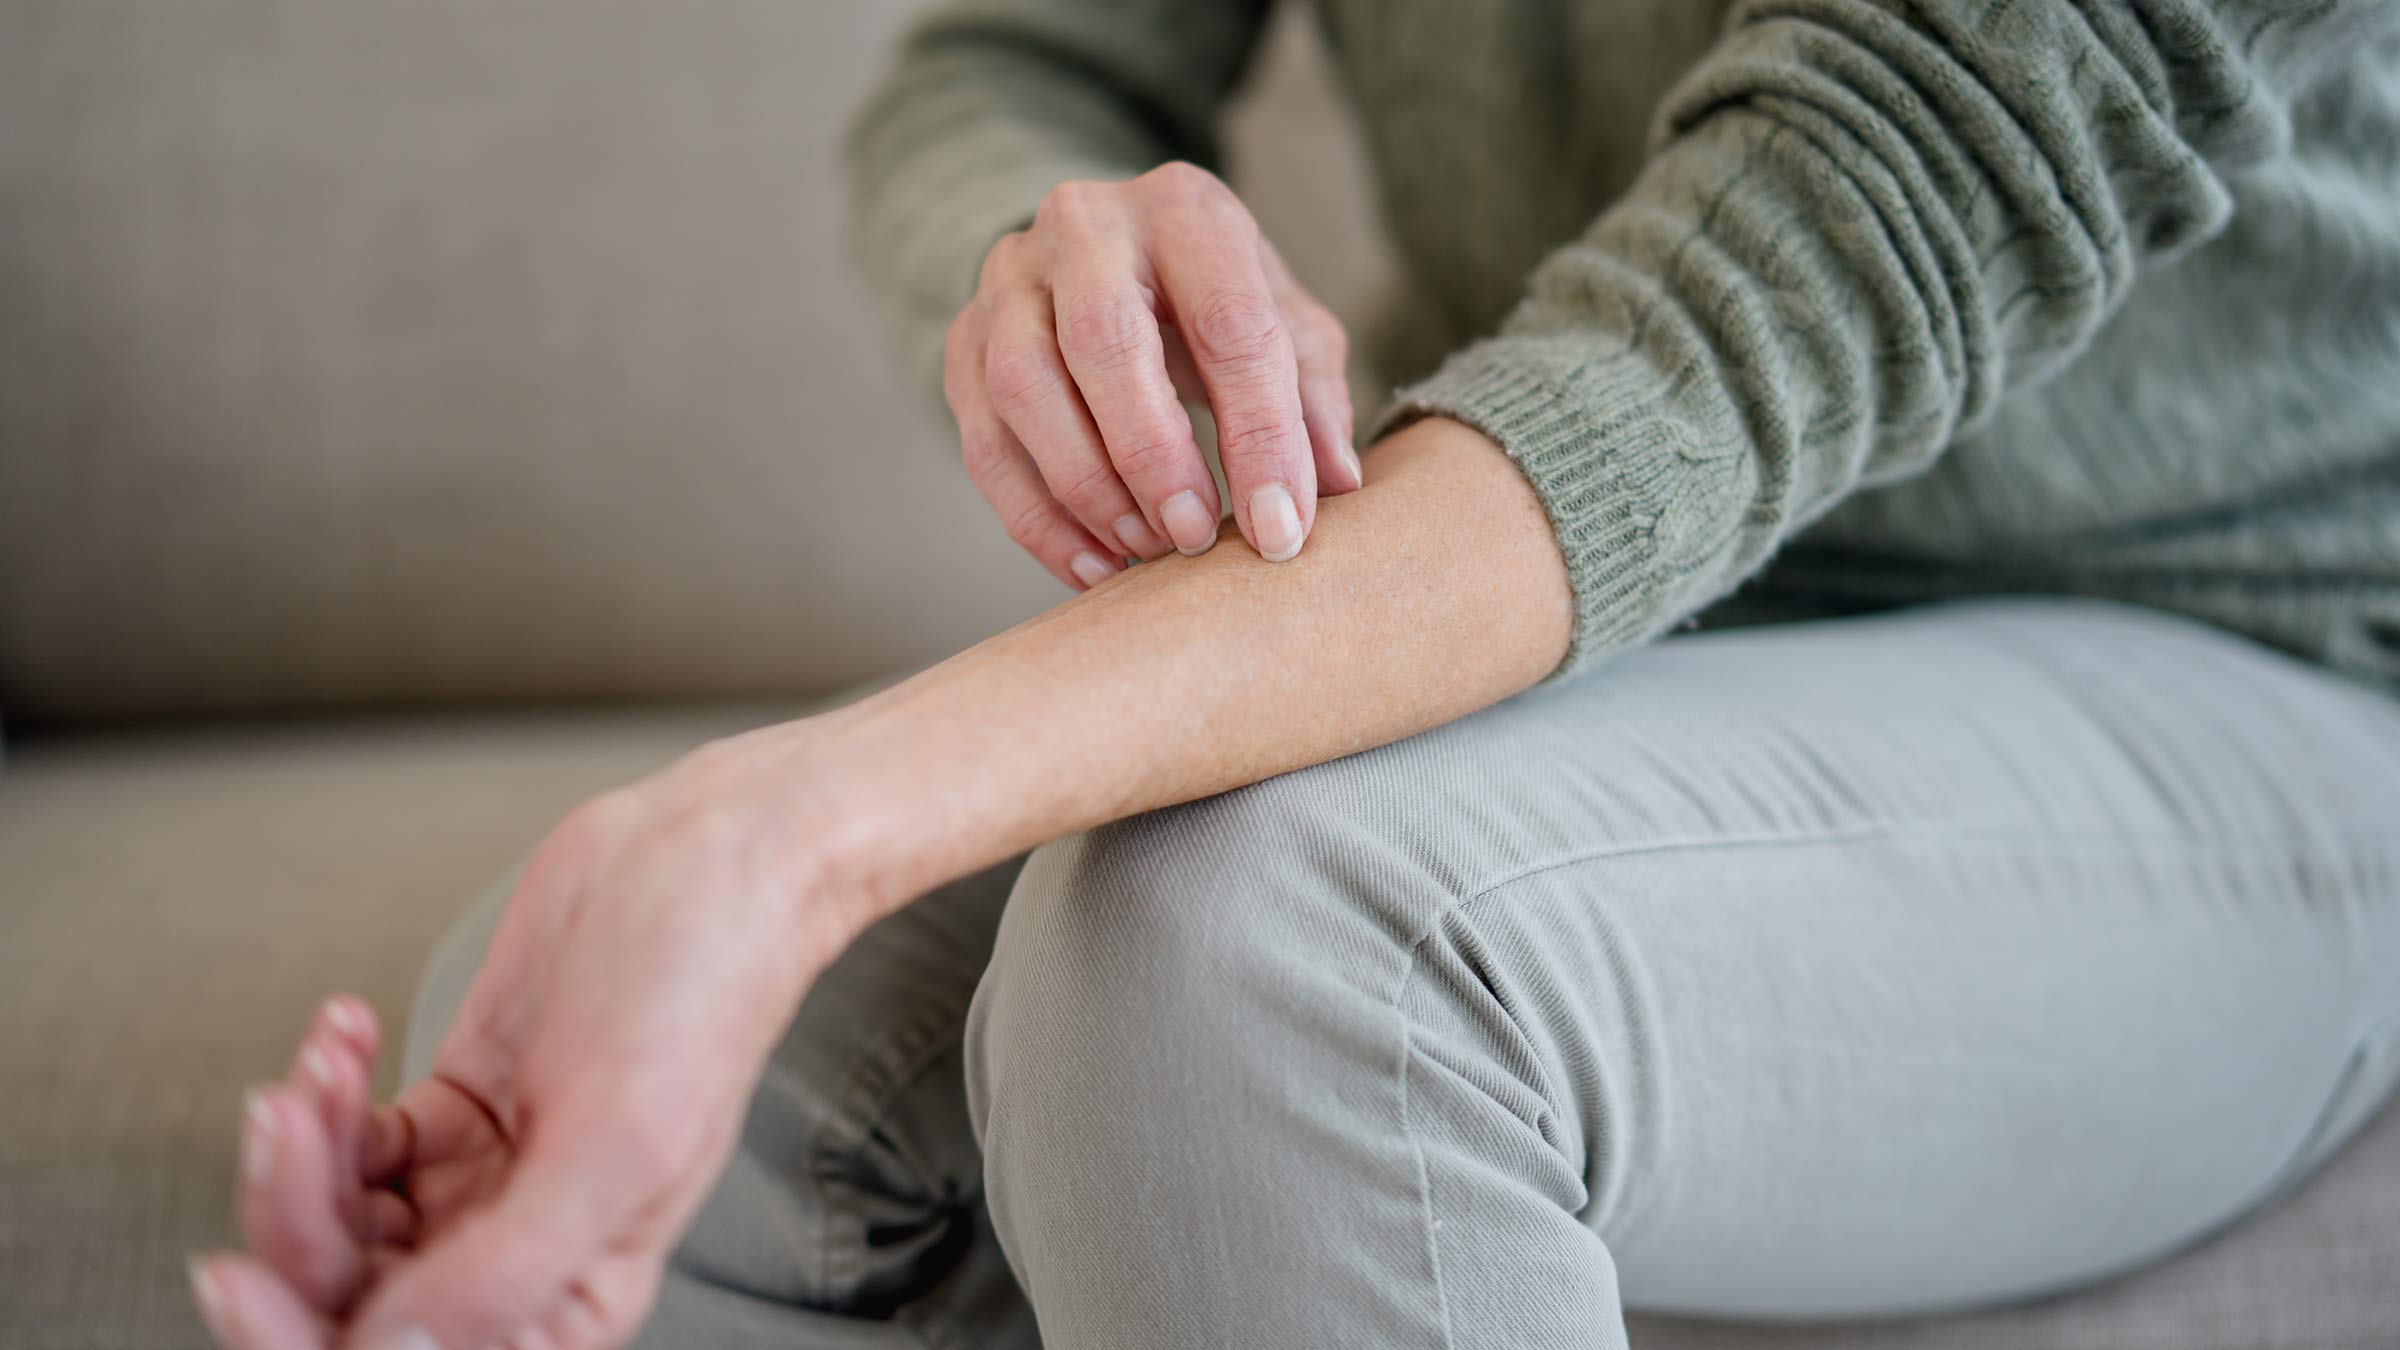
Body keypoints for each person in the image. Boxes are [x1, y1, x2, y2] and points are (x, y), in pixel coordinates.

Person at [190, 1, 2400, 1347]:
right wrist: (1045, 253)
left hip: (2240, 648)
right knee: (610, 1042)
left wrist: (777, 831)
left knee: (1252, 954)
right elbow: (1018, 57)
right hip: (1572, 577)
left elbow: (1827, 258)